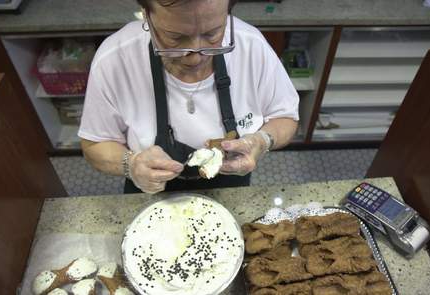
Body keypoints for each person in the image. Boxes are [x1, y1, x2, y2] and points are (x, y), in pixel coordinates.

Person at [78, 0, 299, 194]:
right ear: (146, 14)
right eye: (175, 37)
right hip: (150, 192)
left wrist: (262, 141)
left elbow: (285, 117)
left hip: (229, 187)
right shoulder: (115, 59)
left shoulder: (252, 46)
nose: (194, 57)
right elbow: (94, 144)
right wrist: (131, 164)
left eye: (212, 34)